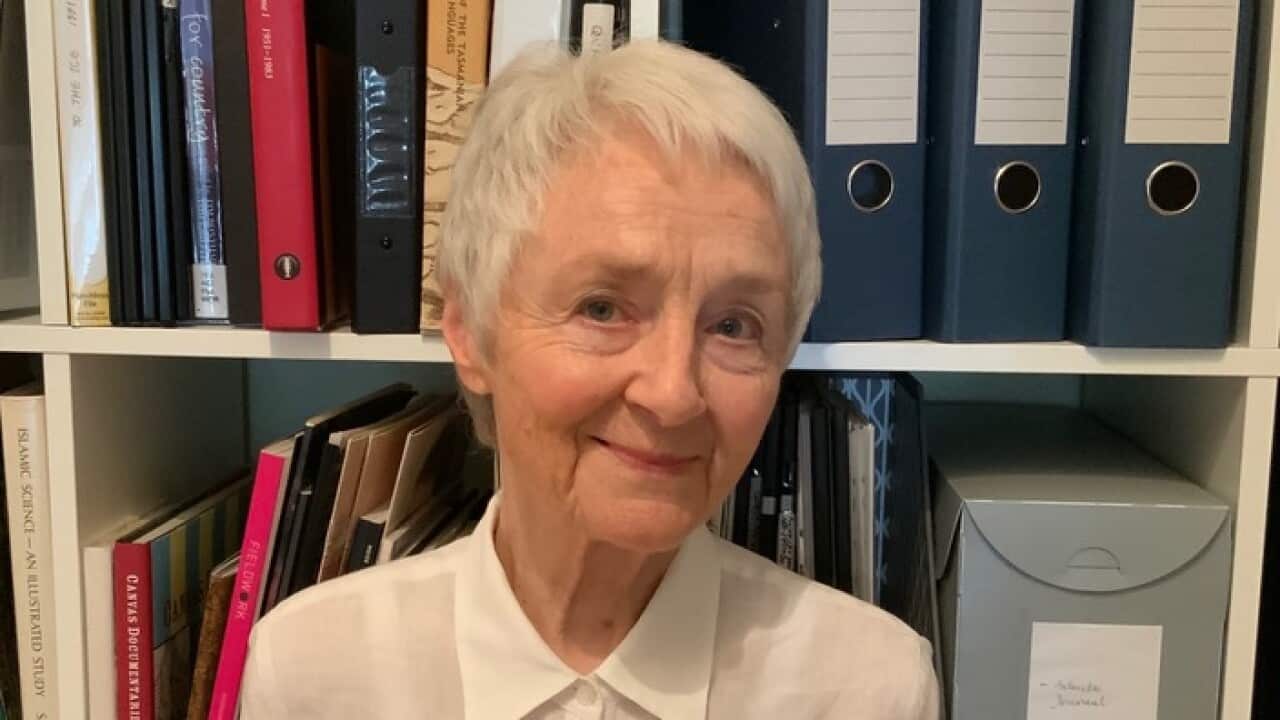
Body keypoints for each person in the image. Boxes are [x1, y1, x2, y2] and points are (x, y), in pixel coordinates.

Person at [239, 39, 939, 719]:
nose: (673, 394)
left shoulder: (868, 689)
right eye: (602, 309)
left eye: (733, 325)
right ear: (470, 330)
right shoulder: (314, 675)